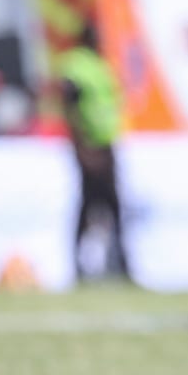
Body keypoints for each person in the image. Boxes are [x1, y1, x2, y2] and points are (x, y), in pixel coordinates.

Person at [56, 23, 130, 281]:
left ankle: (122, 264)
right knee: (88, 208)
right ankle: (77, 267)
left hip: (107, 145)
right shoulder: (77, 65)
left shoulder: (101, 65)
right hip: (88, 147)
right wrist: (82, 147)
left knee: (114, 207)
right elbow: (70, 108)